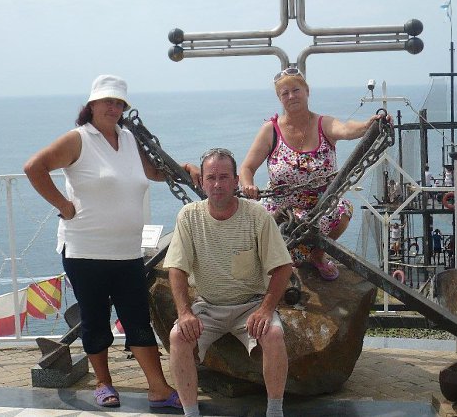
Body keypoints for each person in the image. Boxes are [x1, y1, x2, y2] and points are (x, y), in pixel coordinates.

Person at [24, 74, 200, 409]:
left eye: (119, 102)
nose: (114, 107)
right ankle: (103, 384)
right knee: (95, 320)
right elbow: (35, 167)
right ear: (92, 104)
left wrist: (184, 168)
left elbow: (153, 172)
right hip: (85, 251)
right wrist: (63, 205)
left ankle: (158, 388)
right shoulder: (78, 139)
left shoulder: (129, 139)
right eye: (108, 101)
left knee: (137, 320)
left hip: (127, 251)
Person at [164, 148, 293, 417]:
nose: (217, 184)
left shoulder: (257, 216)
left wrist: (266, 309)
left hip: (251, 305)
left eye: (224, 177)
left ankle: (275, 411)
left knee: (273, 334)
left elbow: (282, 267)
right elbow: (176, 268)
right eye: (211, 178)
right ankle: (190, 412)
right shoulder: (189, 216)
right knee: (178, 336)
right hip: (208, 306)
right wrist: (184, 313)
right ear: (201, 182)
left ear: (236, 181)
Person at [240, 67, 390, 281]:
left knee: (342, 210)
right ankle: (282, 263)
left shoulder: (324, 124)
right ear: (279, 98)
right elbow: (247, 168)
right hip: (282, 209)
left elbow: (346, 129)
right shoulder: (270, 130)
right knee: (270, 228)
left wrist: (368, 126)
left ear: (307, 91)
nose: (291, 96)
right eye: (285, 93)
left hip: (320, 207)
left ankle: (317, 256)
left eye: (296, 90)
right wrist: (248, 185)